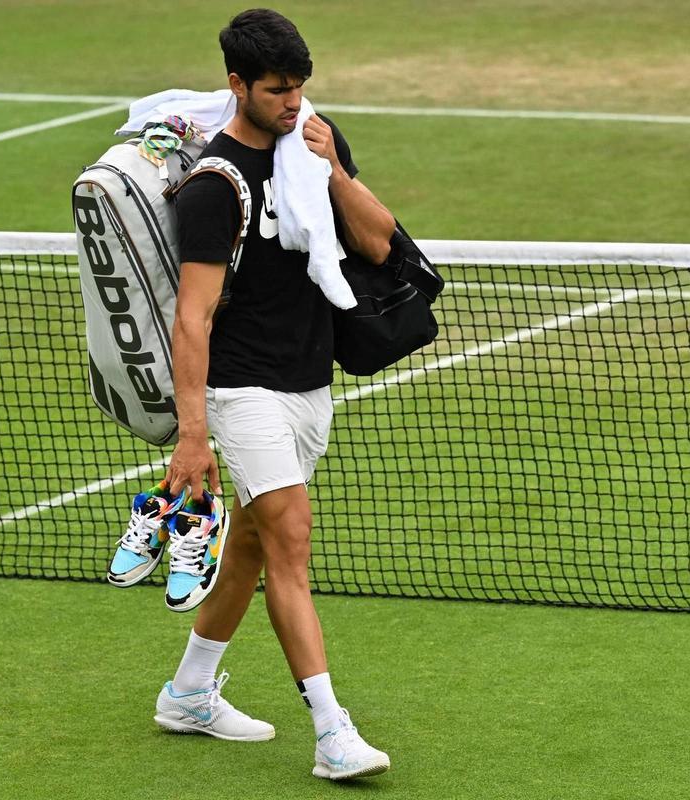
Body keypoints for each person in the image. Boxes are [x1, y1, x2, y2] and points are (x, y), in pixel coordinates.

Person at [153, 8, 395, 781]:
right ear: (237, 86)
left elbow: (380, 241)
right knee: (290, 541)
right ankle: (333, 733)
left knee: (254, 543)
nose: (294, 103)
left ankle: (187, 692)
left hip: (310, 383)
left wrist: (334, 171)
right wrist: (194, 435)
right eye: (277, 91)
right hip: (241, 386)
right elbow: (190, 318)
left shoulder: (314, 141)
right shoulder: (211, 188)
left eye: (300, 88)